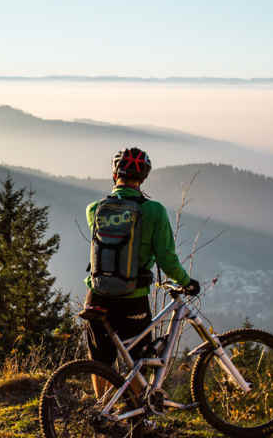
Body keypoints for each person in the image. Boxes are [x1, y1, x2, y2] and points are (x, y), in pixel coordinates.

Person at [84, 147, 200, 374]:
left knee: (100, 362)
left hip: (97, 295)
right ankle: (135, 408)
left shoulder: (95, 210)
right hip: (132, 298)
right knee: (138, 362)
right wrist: (186, 282)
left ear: (114, 175)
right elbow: (167, 259)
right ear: (144, 177)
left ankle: (102, 409)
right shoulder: (154, 211)